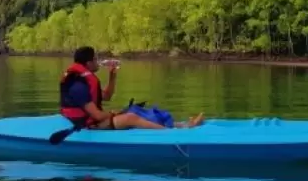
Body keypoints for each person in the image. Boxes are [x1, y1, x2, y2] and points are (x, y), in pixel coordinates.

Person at [59, 46, 204, 130]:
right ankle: (172, 134)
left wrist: (112, 77)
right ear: (89, 63)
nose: (98, 62)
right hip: (85, 125)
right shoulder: (77, 85)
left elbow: (107, 96)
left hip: (94, 119)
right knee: (130, 117)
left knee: (135, 110)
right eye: (96, 59)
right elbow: (96, 115)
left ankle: (182, 125)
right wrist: (112, 114)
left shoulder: (86, 80)